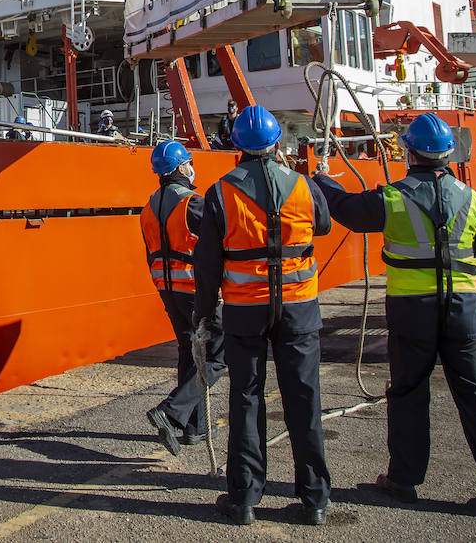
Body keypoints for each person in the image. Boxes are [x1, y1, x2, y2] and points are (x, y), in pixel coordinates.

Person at [312, 113, 476, 520]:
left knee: (407, 392)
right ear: (447, 155)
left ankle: (404, 481)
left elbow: (348, 210)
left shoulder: (393, 197)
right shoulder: (475, 200)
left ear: (408, 152)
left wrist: (322, 178)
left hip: (412, 310)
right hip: (464, 312)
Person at [194, 105, 333, 526]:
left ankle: (244, 499)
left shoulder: (220, 193)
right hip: (299, 310)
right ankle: (315, 501)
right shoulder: (304, 186)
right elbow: (323, 226)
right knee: (305, 400)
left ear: (236, 145)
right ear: (277, 143)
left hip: (244, 312)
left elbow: (207, 264)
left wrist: (204, 315)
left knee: (246, 399)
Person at [141, 140, 225, 456]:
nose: (192, 166)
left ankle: (195, 428)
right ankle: (172, 411)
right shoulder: (192, 203)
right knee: (218, 353)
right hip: (192, 288)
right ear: (180, 168)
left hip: (166, 288)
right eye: (188, 161)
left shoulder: (148, 206)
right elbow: (221, 238)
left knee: (189, 352)